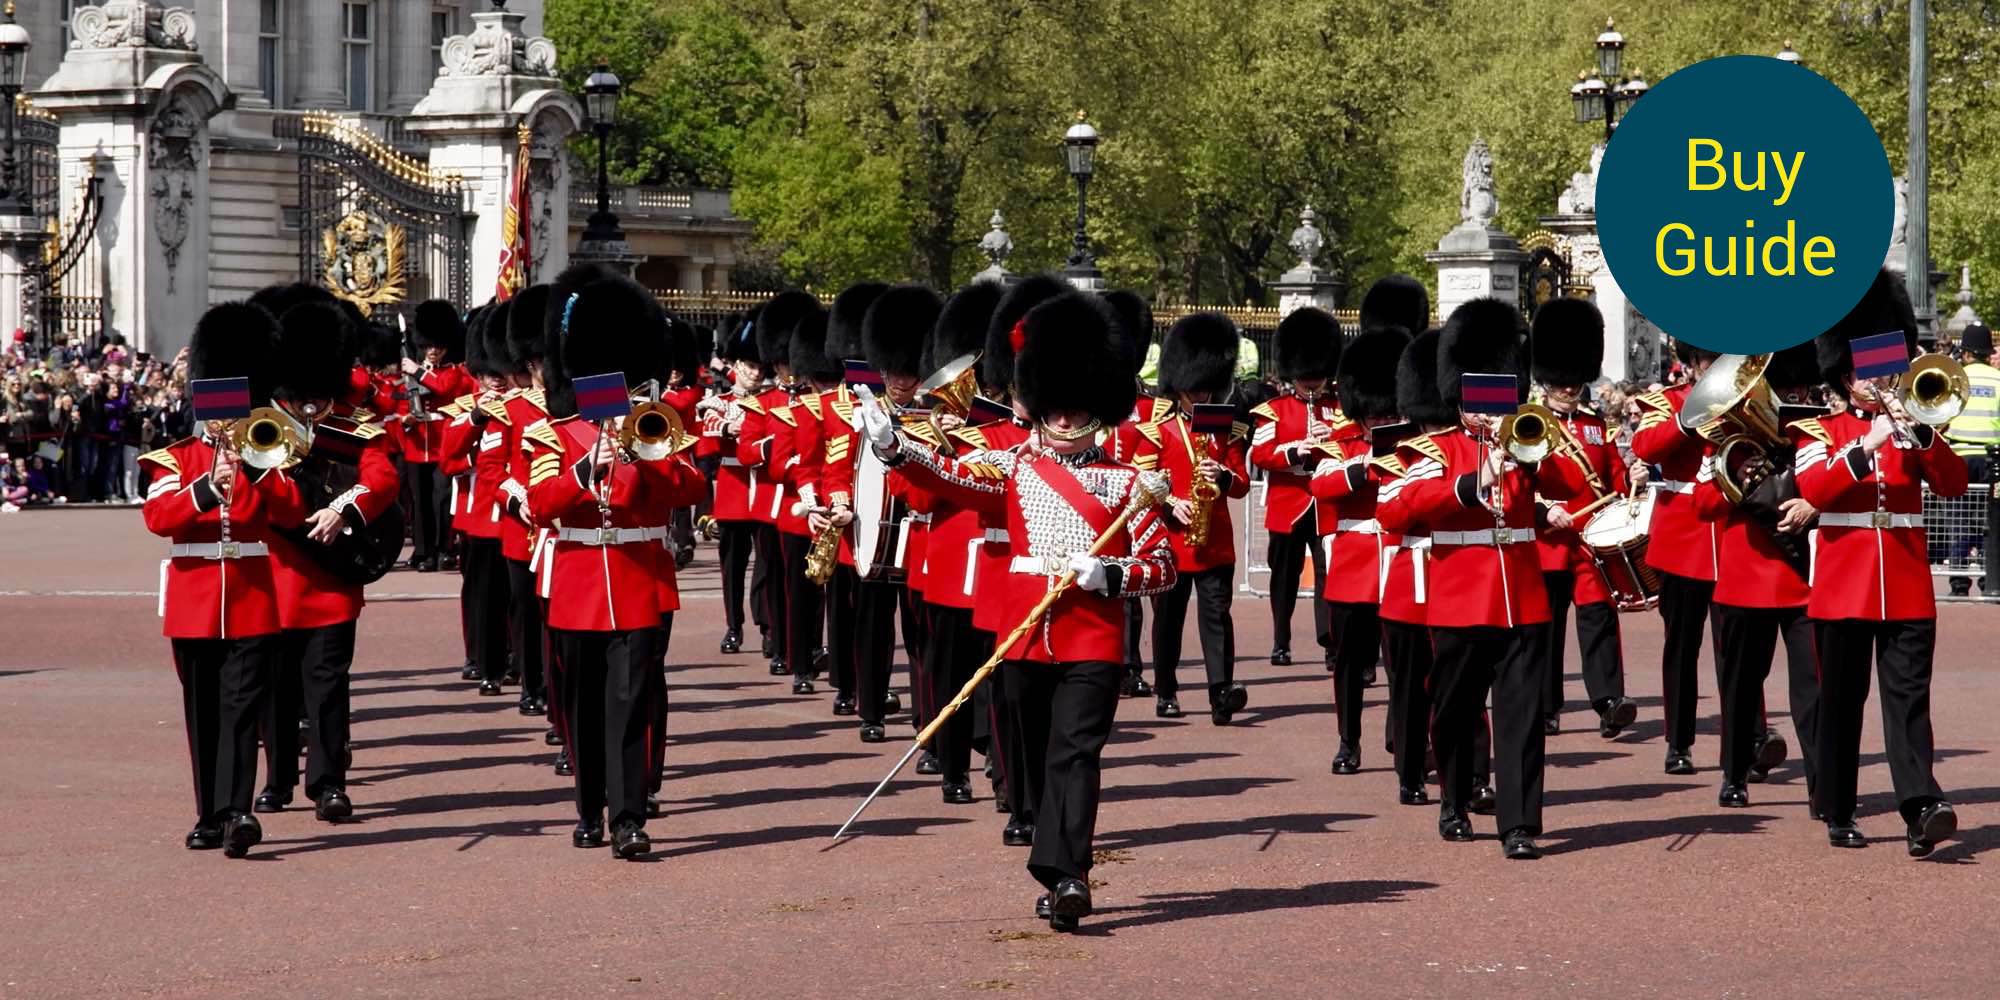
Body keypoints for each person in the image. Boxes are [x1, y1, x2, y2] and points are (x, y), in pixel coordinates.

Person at [858, 290, 1176, 932]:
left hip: (1092, 640)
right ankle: (1050, 855)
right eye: (1055, 408)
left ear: (1100, 409)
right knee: (1031, 759)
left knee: (1077, 755)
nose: (1065, 419)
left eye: (1077, 408)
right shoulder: (1013, 469)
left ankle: (1069, 876)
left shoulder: (1128, 482)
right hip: (1025, 639)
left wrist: (1110, 573)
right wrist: (895, 447)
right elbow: (952, 476)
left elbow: (1163, 567)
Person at [1375, 298, 1587, 859]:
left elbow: (1572, 483)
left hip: (1522, 598)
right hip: (1459, 600)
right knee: (1454, 711)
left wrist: (1529, 455)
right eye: (1482, 397)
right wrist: (1471, 481)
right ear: (1461, 398)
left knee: (1521, 716)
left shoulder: (1527, 440)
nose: (1491, 407)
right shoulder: (1434, 449)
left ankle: (1518, 824)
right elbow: (1393, 508)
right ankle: (1453, 798)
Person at [525, 273, 707, 860]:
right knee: (581, 708)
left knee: (630, 705)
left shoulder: (657, 432)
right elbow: (540, 503)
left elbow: (690, 488)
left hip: (638, 584)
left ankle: (629, 819)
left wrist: (638, 454)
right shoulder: (554, 434)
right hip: (578, 582)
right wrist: (585, 470)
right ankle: (589, 808)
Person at [1793, 270, 1966, 856]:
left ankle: (1922, 807)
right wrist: (1866, 447)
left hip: (1908, 585)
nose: (1884, 379)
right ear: (1848, 378)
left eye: (1888, 366)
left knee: (1908, 703)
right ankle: (1838, 807)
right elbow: (1815, 488)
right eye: (1871, 370)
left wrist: (1921, 435)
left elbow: (1952, 484)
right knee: (1841, 703)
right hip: (1844, 589)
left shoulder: (1915, 429)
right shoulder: (1820, 429)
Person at [140, 301, 303, 859]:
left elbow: (288, 510)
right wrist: (208, 487)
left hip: (253, 597)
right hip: (194, 598)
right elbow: (159, 517)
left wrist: (254, 470)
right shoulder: (175, 459)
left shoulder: (265, 452)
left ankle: (239, 812)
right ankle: (208, 813)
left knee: (241, 708)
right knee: (203, 709)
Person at [257, 295, 400, 821]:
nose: (310, 405)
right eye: (303, 396)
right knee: (275, 688)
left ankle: (328, 783)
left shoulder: (355, 428)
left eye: (318, 395)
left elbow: (382, 480)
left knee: (327, 688)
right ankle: (276, 780)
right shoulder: (261, 430)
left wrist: (344, 509)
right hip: (273, 578)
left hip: (331, 583)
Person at [1691, 342, 1823, 812]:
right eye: (1786, 386)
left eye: (1799, 385)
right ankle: (1733, 773)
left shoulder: (1816, 436)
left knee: (1814, 690)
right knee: (1741, 686)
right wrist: (1739, 478)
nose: (1795, 392)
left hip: (1805, 583)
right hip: (1746, 580)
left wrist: (1813, 502)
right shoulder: (1730, 442)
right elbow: (1703, 507)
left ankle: (1820, 783)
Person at [1525, 299, 1644, 739]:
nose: (1569, 386)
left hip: (1588, 543)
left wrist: (1631, 474)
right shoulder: (1530, 422)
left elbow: (1611, 474)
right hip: (1550, 540)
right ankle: (1545, 705)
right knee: (1547, 628)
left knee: (1599, 617)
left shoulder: (1596, 424)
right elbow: (1519, 482)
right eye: (1561, 379)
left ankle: (1609, 700)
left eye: (1574, 378)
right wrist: (1544, 509)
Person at [1138, 313, 1251, 723]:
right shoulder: (1158, 429)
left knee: (1217, 617)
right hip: (1170, 541)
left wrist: (1221, 475)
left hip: (1215, 541)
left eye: (1206, 388)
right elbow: (1142, 483)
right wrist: (1170, 504)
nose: (1200, 396)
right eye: (1193, 390)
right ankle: (1166, 689)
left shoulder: (1230, 430)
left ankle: (1221, 691)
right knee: (1168, 621)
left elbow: (1241, 484)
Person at [1309, 324, 1408, 776]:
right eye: (1376, 415)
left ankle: (1401, 735)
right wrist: (1364, 466)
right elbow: (1322, 484)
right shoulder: (1341, 441)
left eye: (1389, 414)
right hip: (1354, 563)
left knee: (1404, 661)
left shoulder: (1417, 445)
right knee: (1350, 663)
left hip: (1403, 561)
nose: (1383, 422)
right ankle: (1348, 740)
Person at [1630, 341, 1724, 775]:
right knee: (1682, 648)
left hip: (1729, 536)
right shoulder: (1665, 402)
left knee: (1737, 651)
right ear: (1692, 365)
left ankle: (1751, 736)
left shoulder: (1742, 400)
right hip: (1683, 537)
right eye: (1708, 361)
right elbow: (1647, 446)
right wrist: (1687, 419)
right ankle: (1679, 741)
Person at [1249, 307, 1346, 668]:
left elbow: (1354, 447)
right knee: (1284, 578)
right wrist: (1294, 450)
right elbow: (1260, 453)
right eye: (1306, 377)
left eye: (1317, 377)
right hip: (1288, 505)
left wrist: (1330, 440)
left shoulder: (1339, 410)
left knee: (1328, 574)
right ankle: (1281, 639)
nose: (1311, 383)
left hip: (1327, 505)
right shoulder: (1274, 410)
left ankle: (1330, 642)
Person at [704, 311, 769, 658]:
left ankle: (766, 623)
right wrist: (727, 429)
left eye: (760, 367)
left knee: (767, 565)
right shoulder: (719, 402)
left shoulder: (773, 404)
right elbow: (707, 441)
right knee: (732, 567)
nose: (756, 373)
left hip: (767, 490)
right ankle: (734, 626)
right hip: (733, 490)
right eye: (750, 366)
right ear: (737, 366)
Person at [398, 302, 472, 572]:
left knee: (440, 499)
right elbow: (404, 403)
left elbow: (443, 387)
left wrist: (416, 370)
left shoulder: (454, 371)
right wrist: (405, 421)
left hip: (443, 443)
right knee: (420, 501)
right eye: (429, 346)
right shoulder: (413, 372)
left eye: (437, 347)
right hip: (418, 444)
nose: (432, 351)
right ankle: (424, 550)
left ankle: (444, 548)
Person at [1943, 323, 1997, 596]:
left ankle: (1959, 584)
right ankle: (1991, 583)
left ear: (1964, 353)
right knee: (1991, 523)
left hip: (1959, 457)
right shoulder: (1999, 380)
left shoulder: (1955, 379)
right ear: (1989, 353)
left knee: (1959, 521)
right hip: (1992, 462)